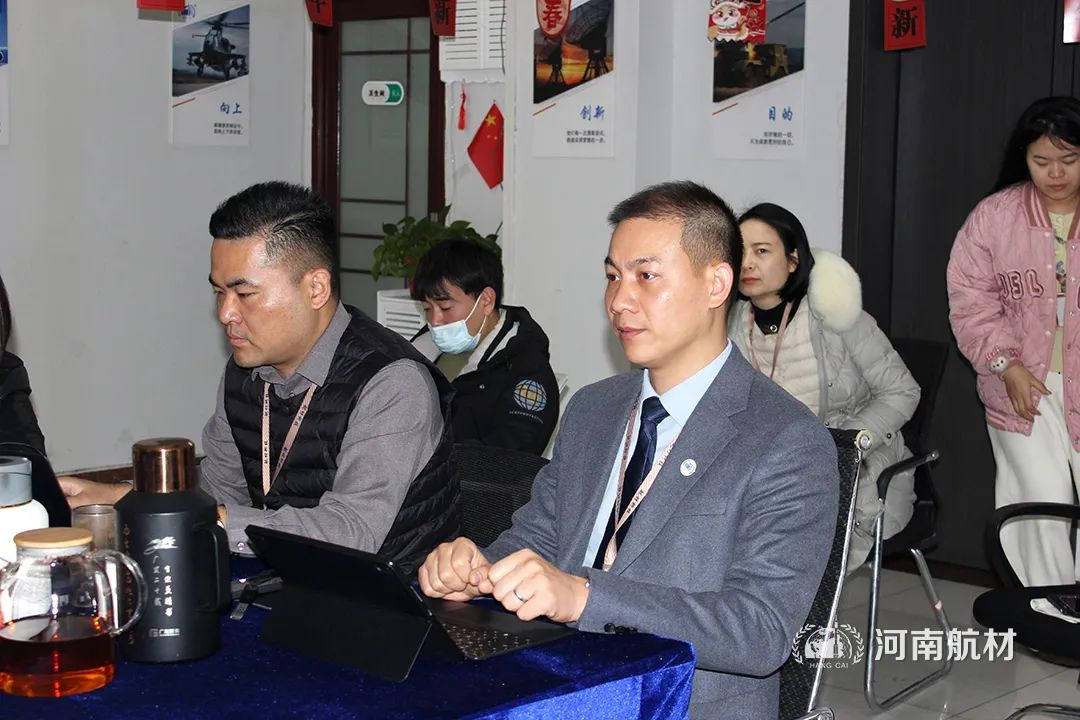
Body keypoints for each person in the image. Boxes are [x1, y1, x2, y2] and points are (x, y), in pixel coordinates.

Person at [418, 181, 839, 720]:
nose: (618, 300)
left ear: (716, 284)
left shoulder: (785, 440)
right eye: (612, 276)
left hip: (680, 704)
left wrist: (585, 597)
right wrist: (478, 567)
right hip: (552, 685)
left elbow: (759, 632)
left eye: (646, 276)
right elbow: (539, 537)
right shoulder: (595, 409)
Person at [60, 182, 459, 572]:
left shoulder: (392, 382)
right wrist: (127, 498)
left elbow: (349, 531)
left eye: (244, 294)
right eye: (219, 293)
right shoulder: (245, 373)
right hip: (286, 583)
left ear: (316, 288)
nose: (225, 314)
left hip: (393, 599)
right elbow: (217, 493)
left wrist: (190, 517)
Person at [728, 203, 920, 570]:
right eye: (740, 252)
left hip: (851, 471)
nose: (747, 263)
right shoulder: (729, 325)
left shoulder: (836, 315)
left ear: (793, 260)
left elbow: (902, 391)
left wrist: (843, 443)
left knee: (788, 563)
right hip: (771, 474)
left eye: (762, 251)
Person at [948, 96, 1080, 587]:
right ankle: (1047, 610)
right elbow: (971, 301)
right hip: (1023, 383)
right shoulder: (995, 216)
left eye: (1069, 159)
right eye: (1042, 161)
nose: (1056, 173)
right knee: (1041, 500)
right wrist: (1007, 364)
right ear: (1023, 157)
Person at [410, 238, 559, 455]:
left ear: (486, 300)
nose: (434, 321)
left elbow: (511, 460)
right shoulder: (421, 347)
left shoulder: (526, 370)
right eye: (427, 309)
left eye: (445, 307)